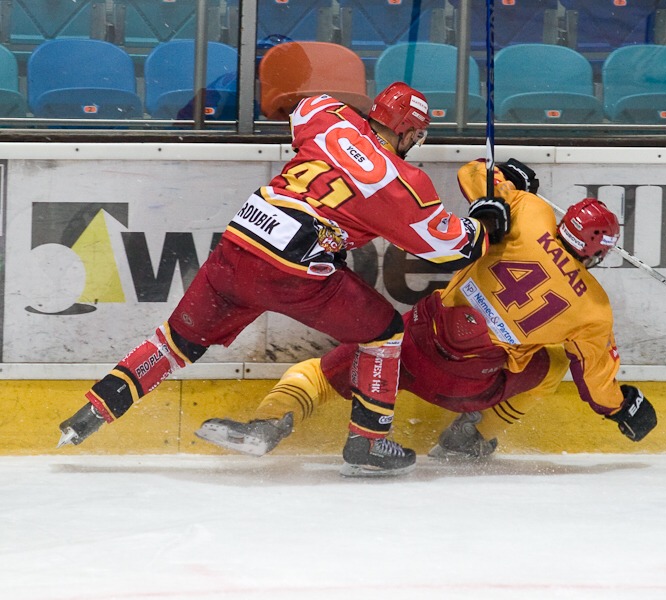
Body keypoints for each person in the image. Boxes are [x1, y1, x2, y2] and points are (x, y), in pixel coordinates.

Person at [57, 82, 512, 477]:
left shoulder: (327, 115)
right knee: (385, 332)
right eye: (417, 135)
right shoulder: (401, 182)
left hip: (238, 247)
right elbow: (447, 246)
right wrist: (486, 222)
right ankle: (368, 443)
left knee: (175, 342)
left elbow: (299, 109)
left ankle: (90, 413)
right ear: (410, 132)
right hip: (294, 272)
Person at [195, 158, 658, 460]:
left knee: (318, 373)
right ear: (599, 252)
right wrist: (621, 408)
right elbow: (595, 381)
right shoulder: (594, 309)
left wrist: (508, 182)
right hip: (470, 386)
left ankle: (268, 426)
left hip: (413, 348)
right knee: (554, 363)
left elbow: (473, 173)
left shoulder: (533, 212)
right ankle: (469, 437)